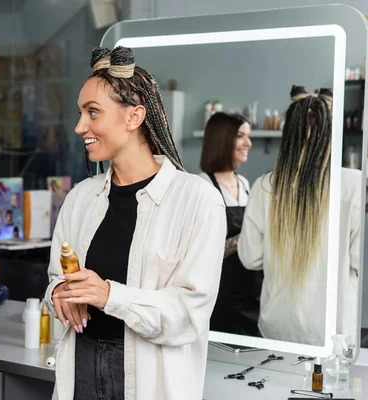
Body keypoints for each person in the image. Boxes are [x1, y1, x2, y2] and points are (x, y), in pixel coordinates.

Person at [44, 46, 226, 400]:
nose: (80, 126)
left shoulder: (196, 201)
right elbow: (57, 280)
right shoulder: (81, 198)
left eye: (92, 112)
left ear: (134, 117)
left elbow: (189, 314)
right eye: (80, 113)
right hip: (80, 366)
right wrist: (59, 295)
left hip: (149, 380)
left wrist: (109, 295)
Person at [239, 85, 361, 347]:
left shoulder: (264, 186)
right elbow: (360, 261)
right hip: (333, 332)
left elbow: (250, 258)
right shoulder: (353, 185)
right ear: (329, 135)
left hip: (278, 328)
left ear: (288, 135)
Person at [198, 112, 263, 337]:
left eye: (249, 136)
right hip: (222, 292)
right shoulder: (203, 186)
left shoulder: (245, 184)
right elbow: (204, 250)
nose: (248, 143)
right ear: (222, 139)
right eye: (241, 136)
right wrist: (250, 236)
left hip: (252, 289)